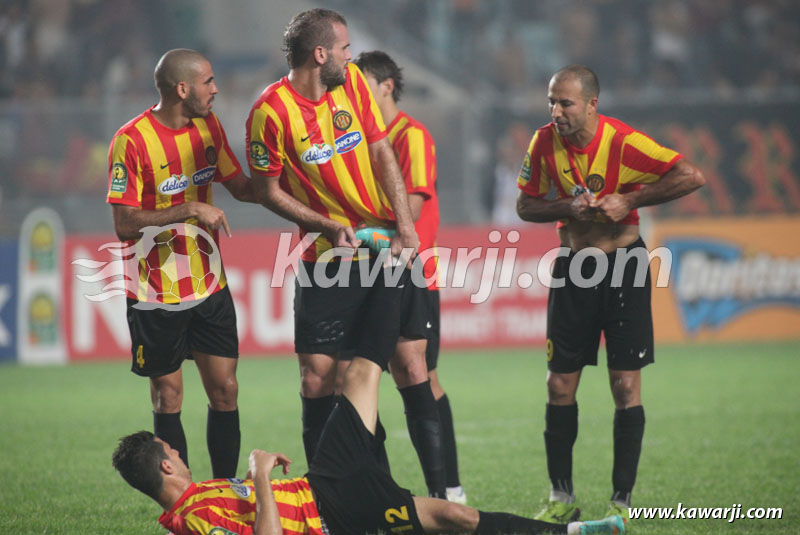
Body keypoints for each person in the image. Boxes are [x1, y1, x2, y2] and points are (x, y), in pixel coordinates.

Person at [516, 64, 705, 523]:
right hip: (574, 268)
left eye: (565, 103)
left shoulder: (623, 142)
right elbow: (525, 203)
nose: (556, 111)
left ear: (592, 104)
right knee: (559, 384)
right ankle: (560, 496)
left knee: (625, 385)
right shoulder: (544, 142)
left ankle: (622, 499)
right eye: (551, 102)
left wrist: (630, 199)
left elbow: (691, 175)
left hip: (624, 265)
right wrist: (566, 206)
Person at [245, 8, 421, 468]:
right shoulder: (269, 112)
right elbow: (266, 191)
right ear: (320, 54)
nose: (351, 55)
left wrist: (405, 225)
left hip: (381, 248)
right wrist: (324, 224)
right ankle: (325, 488)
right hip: (324, 256)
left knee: (368, 374)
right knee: (316, 378)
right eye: (344, 48)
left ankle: (372, 478)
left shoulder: (354, 84)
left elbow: (382, 150)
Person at [112, 388, 626, 534]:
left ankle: (573, 534)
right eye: (174, 452)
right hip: (333, 510)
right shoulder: (193, 520)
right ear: (164, 467)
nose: (179, 452)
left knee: (456, 518)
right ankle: (389, 270)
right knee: (454, 518)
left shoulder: (200, 500)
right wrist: (264, 477)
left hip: (330, 494)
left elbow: (248, 516)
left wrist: (248, 479)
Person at [106, 48, 255, 479]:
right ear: (182, 88)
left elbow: (241, 186)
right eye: (208, 81)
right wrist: (188, 209)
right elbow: (123, 223)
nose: (216, 89)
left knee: (225, 390)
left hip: (208, 285)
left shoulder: (208, 127)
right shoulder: (131, 140)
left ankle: (226, 492)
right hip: (155, 293)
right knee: (168, 397)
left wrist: (293, 185)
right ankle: (186, 503)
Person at [354, 50, 466, 503]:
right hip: (366, 270)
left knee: (421, 375)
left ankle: (450, 490)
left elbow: (413, 211)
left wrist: (356, 228)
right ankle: (373, 489)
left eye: (361, 83)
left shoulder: (410, 136)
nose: (352, 92)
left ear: (385, 85)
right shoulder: (356, 136)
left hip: (411, 272)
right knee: (357, 375)